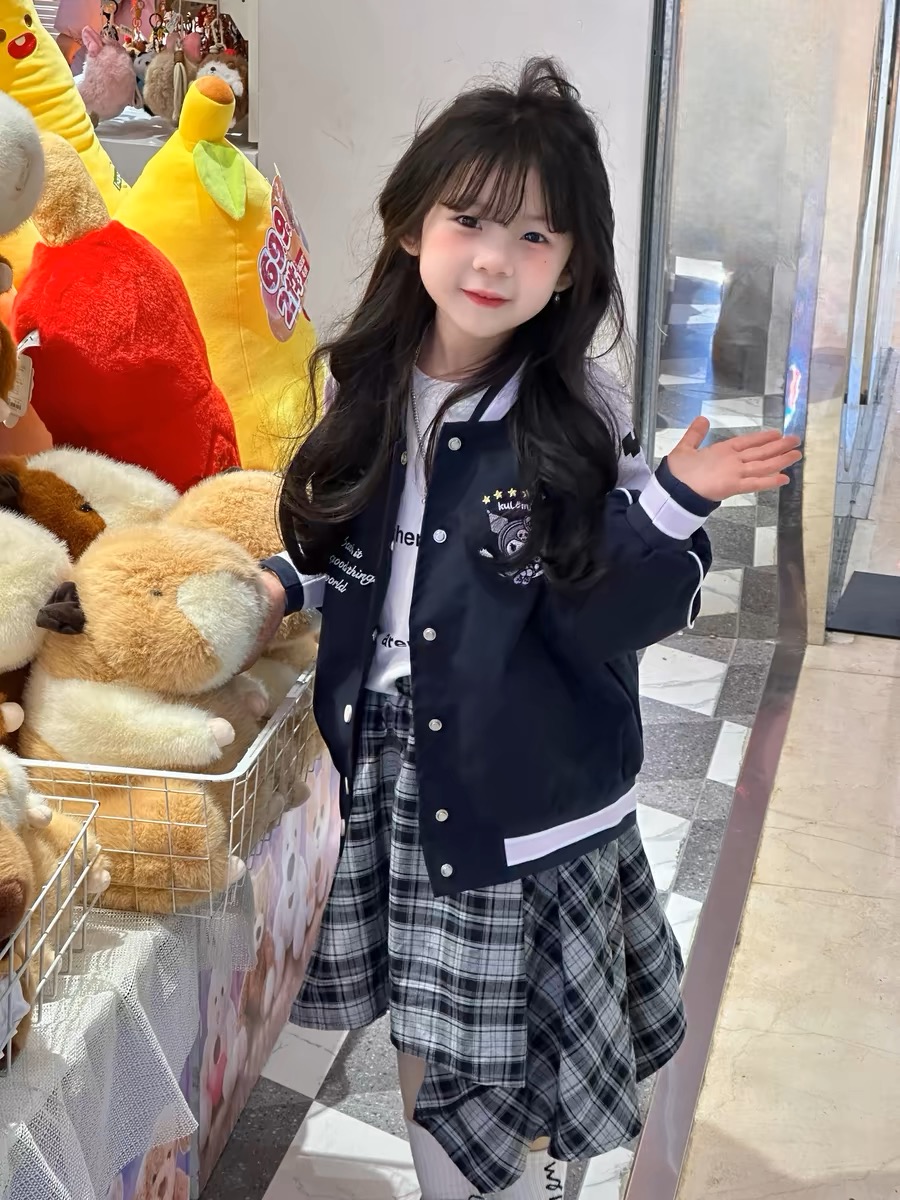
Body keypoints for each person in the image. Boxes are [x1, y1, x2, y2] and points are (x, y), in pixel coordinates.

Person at [255, 58, 801, 1199]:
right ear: (412, 224)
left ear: (572, 268)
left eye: (535, 236)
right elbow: (344, 548)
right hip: (392, 763)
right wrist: (282, 587)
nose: (495, 259)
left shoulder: (572, 415)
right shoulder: (364, 382)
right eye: (468, 220)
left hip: (522, 789)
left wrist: (674, 503)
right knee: (427, 1035)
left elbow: (606, 611)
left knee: (504, 1065)